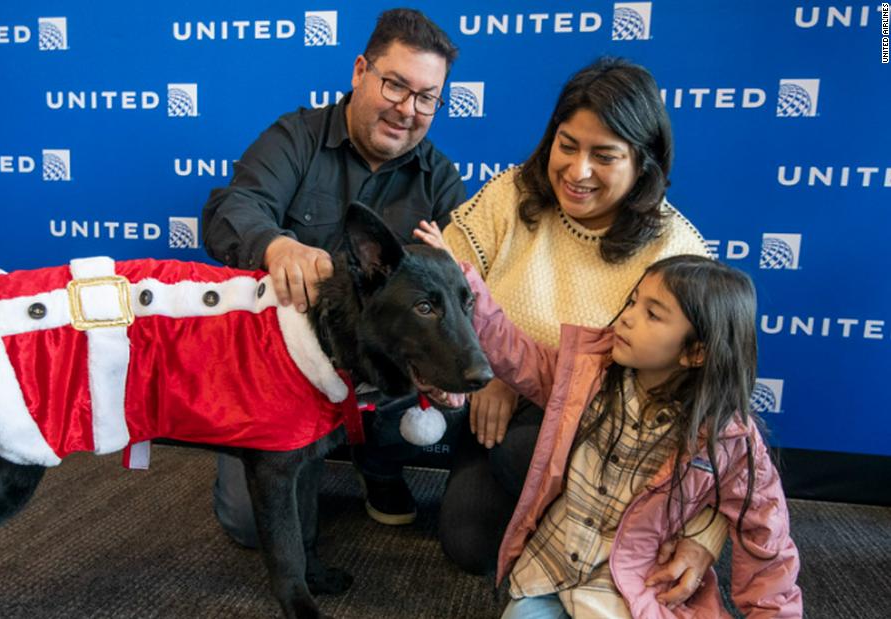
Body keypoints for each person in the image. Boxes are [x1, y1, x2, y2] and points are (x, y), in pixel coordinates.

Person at [433, 57, 724, 600]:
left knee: (521, 452)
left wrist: (707, 532)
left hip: (612, 438)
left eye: (605, 155)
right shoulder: (508, 195)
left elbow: (721, 413)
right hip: (497, 409)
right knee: (468, 543)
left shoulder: (677, 250)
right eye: (568, 145)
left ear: (643, 162)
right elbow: (444, 285)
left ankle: (614, 542)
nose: (578, 170)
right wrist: (489, 368)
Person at [420, 229, 803, 616]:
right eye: (633, 302)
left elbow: (767, 544)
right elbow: (514, 352)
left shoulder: (730, 440)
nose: (627, 318)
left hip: (628, 588)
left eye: (652, 314)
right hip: (549, 570)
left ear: (696, 352)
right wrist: (461, 282)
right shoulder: (586, 375)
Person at [200, 8, 467, 547]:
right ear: (360, 71)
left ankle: (382, 466)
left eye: (426, 98)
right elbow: (234, 207)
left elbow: (464, 287)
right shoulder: (293, 138)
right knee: (250, 527)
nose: (407, 109)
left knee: (456, 365)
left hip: (378, 370)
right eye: (395, 85)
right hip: (280, 367)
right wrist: (276, 245)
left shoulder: (439, 177)